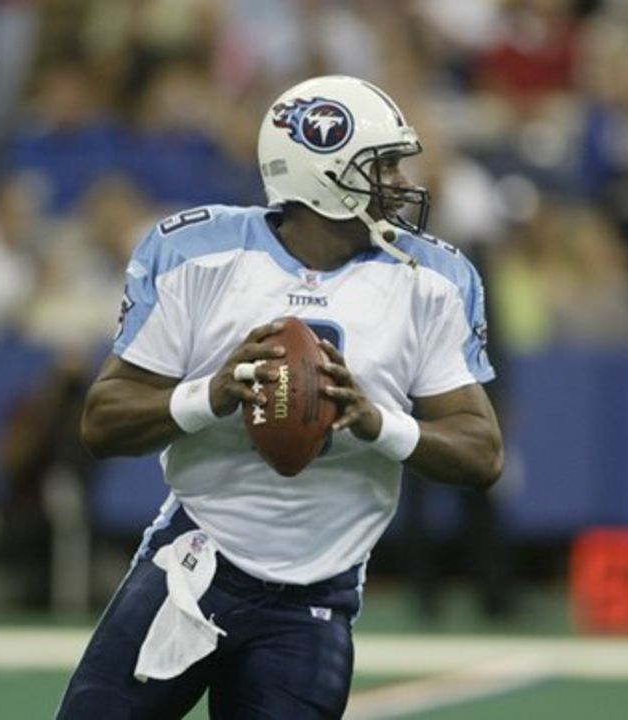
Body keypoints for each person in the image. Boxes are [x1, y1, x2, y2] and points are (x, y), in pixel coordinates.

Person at [56, 75, 504, 719]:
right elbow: (101, 421)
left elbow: (482, 453)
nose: (400, 181)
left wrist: (376, 421)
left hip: (316, 598)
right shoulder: (198, 254)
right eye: (380, 166)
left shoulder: (431, 279)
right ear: (322, 172)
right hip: (196, 561)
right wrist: (211, 395)